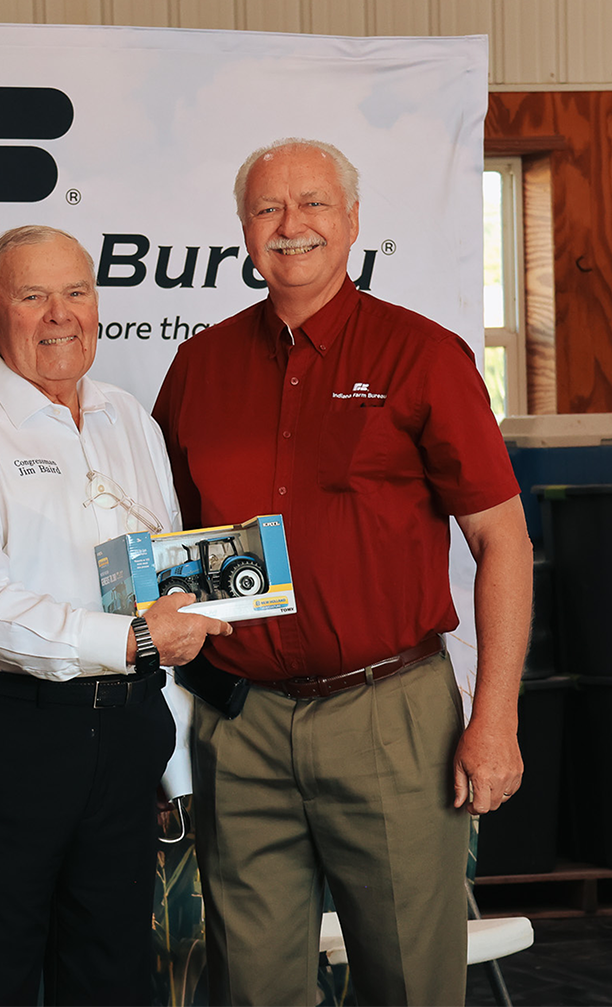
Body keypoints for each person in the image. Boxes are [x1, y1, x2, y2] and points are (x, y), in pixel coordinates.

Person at [152, 139, 533, 1007]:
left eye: (314, 204)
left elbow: (504, 541)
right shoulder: (198, 367)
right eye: (267, 209)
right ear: (244, 231)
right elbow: (168, 541)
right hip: (239, 727)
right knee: (253, 988)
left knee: (409, 984)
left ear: (354, 221)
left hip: (389, 716)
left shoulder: (422, 356)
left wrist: (496, 717)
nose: (292, 226)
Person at [0, 225, 230, 1007]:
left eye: (75, 292)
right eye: (32, 296)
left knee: (111, 981)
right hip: (1, 736)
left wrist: (165, 754)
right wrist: (136, 638)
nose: (59, 314)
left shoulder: (129, 421)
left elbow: (159, 584)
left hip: (123, 738)